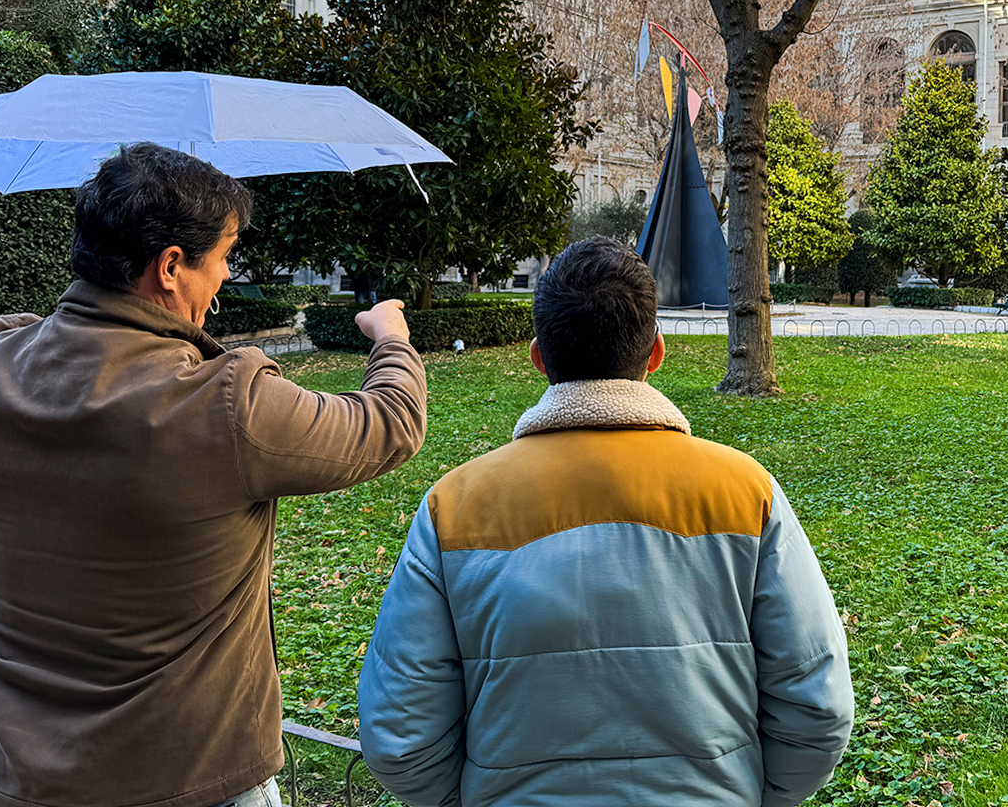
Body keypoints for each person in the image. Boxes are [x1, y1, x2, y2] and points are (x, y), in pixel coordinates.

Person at [0, 143, 429, 807]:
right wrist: (391, 336)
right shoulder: (222, 407)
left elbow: (54, 334)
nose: (226, 277)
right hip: (193, 781)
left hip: (16, 784)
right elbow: (389, 421)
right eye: (224, 256)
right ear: (170, 265)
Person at [358, 237, 853, 807]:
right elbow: (819, 705)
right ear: (657, 353)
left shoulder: (454, 506)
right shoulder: (747, 492)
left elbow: (399, 732)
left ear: (540, 356)